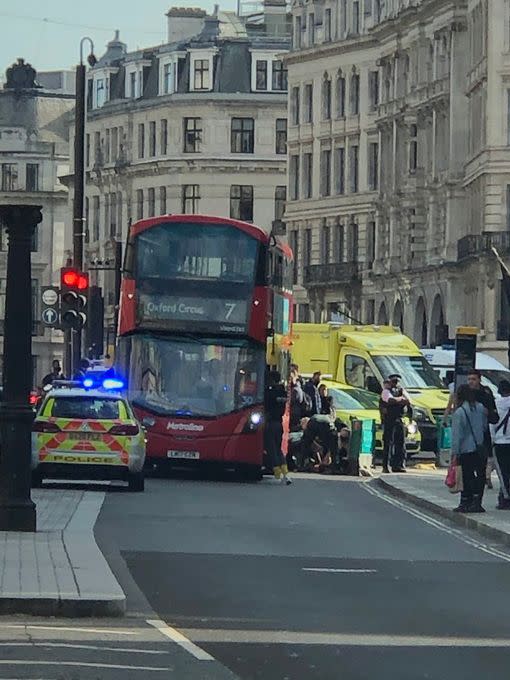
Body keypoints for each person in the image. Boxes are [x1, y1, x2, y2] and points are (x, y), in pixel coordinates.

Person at [451, 383, 488, 513]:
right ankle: (476, 501)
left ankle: (465, 501)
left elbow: (457, 434)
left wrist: (454, 452)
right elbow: (484, 427)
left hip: (465, 449)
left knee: (466, 476)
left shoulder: (460, 412)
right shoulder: (481, 408)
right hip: (479, 447)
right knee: (478, 475)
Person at [467, 369, 499, 489]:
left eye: (474, 379)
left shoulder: (486, 393)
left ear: (479, 380)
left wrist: (487, 413)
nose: (471, 382)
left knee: (481, 468)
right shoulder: (465, 393)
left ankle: (477, 498)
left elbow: (494, 416)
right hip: (468, 435)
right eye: (469, 379)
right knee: (468, 470)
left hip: (482, 435)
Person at [264, 370, 292, 485]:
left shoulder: (270, 392)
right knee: (278, 448)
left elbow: (265, 404)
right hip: (279, 423)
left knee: (271, 448)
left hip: (270, 423)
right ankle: (286, 474)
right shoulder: (283, 392)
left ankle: (277, 473)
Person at [380, 374, 411, 473]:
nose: (395, 384)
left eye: (397, 382)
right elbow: (390, 400)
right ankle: (386, 466)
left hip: (399, 419)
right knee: (388, 443)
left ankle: (398, 465)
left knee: (400, 443)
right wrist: (400, 400)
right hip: (389, 420)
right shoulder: (385, 391)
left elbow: (408, 401)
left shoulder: (401, 390)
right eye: (393, 381)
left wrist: (400, 400)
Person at [490, 379, 510, 510]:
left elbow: (492, 425)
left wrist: (491, 441)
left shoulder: (496, 405)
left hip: (500, 442)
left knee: (503, 473)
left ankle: (505, 498)